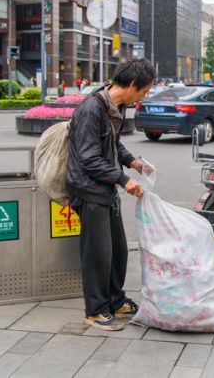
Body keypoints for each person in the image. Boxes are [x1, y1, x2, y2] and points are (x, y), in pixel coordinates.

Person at [66, 59, 155, 331]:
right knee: (97, 253)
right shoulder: (91, 109)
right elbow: (89, 159)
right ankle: (95, 310)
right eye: (143, 91)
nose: (144, 96)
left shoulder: (115, 105)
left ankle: (115, 299)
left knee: (118, 250)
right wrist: (124, 180)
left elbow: (113, 143)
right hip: (89, 189)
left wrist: (133, 163)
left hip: (105, 188)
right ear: (130, 85)